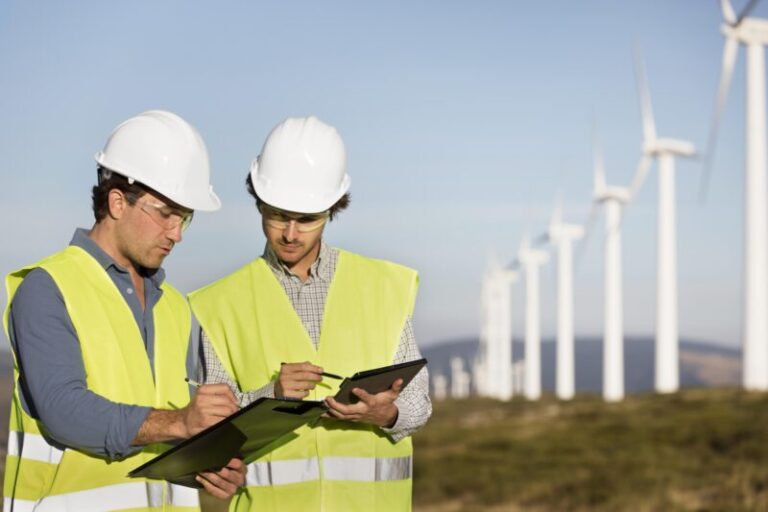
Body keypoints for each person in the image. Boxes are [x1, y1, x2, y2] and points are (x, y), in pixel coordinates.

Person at [3, 110, 246, 511]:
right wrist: (180, 422)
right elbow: (63, 409)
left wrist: (212, 465)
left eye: (185, 217)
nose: (177, 233)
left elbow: (180, 431)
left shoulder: (177, 309)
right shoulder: (47, 288)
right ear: (117, 202)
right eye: (165, 213)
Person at [188, 116, 432, 511]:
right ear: (258, 202)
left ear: (333, 208)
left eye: (306, 219)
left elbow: (419, 406)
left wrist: (388, 413)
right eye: (277, 215)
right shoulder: (219, 305)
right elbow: (211, 429)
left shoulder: (384, 288)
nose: (289, 233)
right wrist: (270, 396)